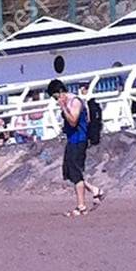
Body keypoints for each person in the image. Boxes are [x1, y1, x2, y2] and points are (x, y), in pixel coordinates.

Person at [46, 79, 103, 217]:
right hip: (72, 140)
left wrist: (64, 107)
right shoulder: (67, 102)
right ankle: (95, 190)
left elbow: (73, 121)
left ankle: (81, 206)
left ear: (60, 92)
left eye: (56, 97)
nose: (56, 101)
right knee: (69, 172)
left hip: (79, 140)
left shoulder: (75, 101)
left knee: (76, 173)